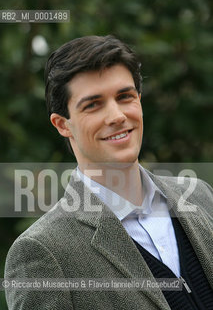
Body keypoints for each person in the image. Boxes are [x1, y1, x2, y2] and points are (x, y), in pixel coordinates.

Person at [4, 35, 213, 310]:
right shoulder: (42, 252)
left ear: (139, 100)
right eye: (93, 104)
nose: (116, 116)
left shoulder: (200, 196)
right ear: (62, 125)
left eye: (124, 96)